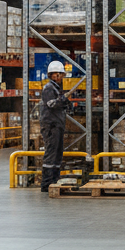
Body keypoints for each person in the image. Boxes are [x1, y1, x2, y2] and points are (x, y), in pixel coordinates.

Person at [40, 61, 71, 192]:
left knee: (58, 153)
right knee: (51, 153)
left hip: (57, 125)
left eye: (61, 75)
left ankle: (54, 180)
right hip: (51, 126)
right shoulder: (49, 88)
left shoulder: (57, 89)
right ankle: (46, 183)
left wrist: (66, 103)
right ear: (52, 75)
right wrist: (62, 100)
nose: (60, 78)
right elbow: (51, 104)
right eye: (58, 75)